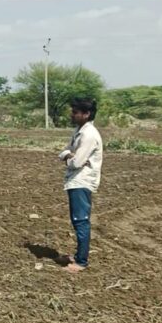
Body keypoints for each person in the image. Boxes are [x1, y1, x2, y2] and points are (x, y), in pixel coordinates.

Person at [58, 97, 103, 273]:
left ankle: (81, 262)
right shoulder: (79, 130)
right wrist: (69, 156)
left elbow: (75, 162)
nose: (72, 114)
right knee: (77, 220)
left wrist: (69, 157)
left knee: (81, 221)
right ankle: (78, 256)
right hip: (75, 179)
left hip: (82, 180)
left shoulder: (89, 135)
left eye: (75, 112)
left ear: (86, 114)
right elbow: (66, 152)